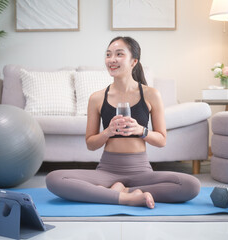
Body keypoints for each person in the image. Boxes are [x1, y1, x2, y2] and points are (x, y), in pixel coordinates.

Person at [46, 36, 200, 209]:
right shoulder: (97, 98)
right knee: (54, 179)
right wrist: (107, 132)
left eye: (119, 54)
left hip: (141, 170)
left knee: (191, 185)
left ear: (134, 61)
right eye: (108, 55)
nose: (112, 60)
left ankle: (120, 191)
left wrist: (141, 130)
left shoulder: (151, 94)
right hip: (107, 170)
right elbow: (90, 144)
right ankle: (128, 198)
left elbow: (162, 140)